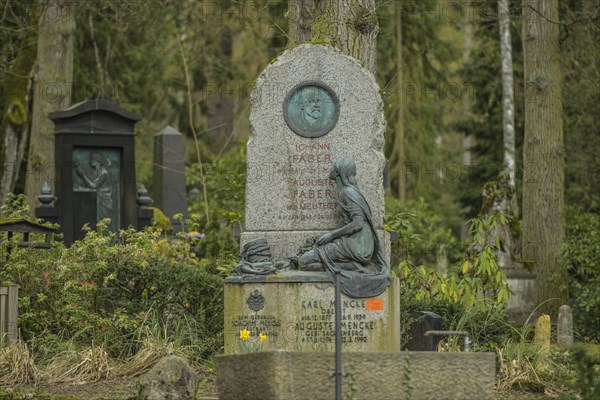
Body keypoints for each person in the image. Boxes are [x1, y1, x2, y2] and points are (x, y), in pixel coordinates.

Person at [297, 157, 391, 298]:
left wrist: (331, 236)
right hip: (356, 243)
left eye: (334, 167)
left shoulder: (348, 192)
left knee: (304, 262)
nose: (330, 170)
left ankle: (357, 267)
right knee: (308, 258)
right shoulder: (349, 191)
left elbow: (358, 223)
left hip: (357, 246)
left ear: (340, 172)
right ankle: (354, 266)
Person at [75, 152, 116, 231]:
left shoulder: (104, 173)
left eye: (92, 160)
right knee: (99, 222)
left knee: (105, 222)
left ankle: (109, 240)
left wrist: (82, 175)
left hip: (105, 201)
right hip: (99, 200)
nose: (90, 162)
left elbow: (94, 186)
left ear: (98, 161)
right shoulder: (98, 171)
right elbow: (92, 186)